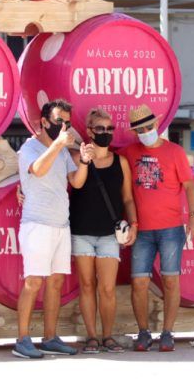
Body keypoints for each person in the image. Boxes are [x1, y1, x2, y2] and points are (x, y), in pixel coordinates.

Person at [13, 99, 93, 359]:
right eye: (59, 121)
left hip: (61, 225)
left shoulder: (62, 151)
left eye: (67, 122)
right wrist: (59, 143)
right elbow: (37, 170)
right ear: (44, 122)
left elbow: (76, 183)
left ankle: (49, 337)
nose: (64, 126)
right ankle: (22, 340)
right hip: (36, 224)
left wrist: (83, 161)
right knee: (33, 282)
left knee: (56, 283)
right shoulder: (29, 148)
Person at [121, 104, 194, 352]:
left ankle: (168, 333)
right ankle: (143, 333)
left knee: (170, 281)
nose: (145, 132)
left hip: (171, 229)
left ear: (156, 125)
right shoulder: (128, 153)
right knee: (139, 284)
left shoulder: (175, 152)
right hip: (141, 230)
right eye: (139, 129)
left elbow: (189, 186)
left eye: (148, 126)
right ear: (134, 132)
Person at [69, 108, 138, 354]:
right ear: (89, 131)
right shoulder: (77, 157)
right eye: (100, 129)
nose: (106, 133)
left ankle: (108, 336)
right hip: (81, 231)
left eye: (110, 129)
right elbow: (75, 183)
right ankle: (91, 337)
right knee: (86, 286)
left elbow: (128, 199)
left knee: (107, 288)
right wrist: (86, 160)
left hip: (109, 234)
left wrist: (134, 224)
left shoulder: (121, 162)